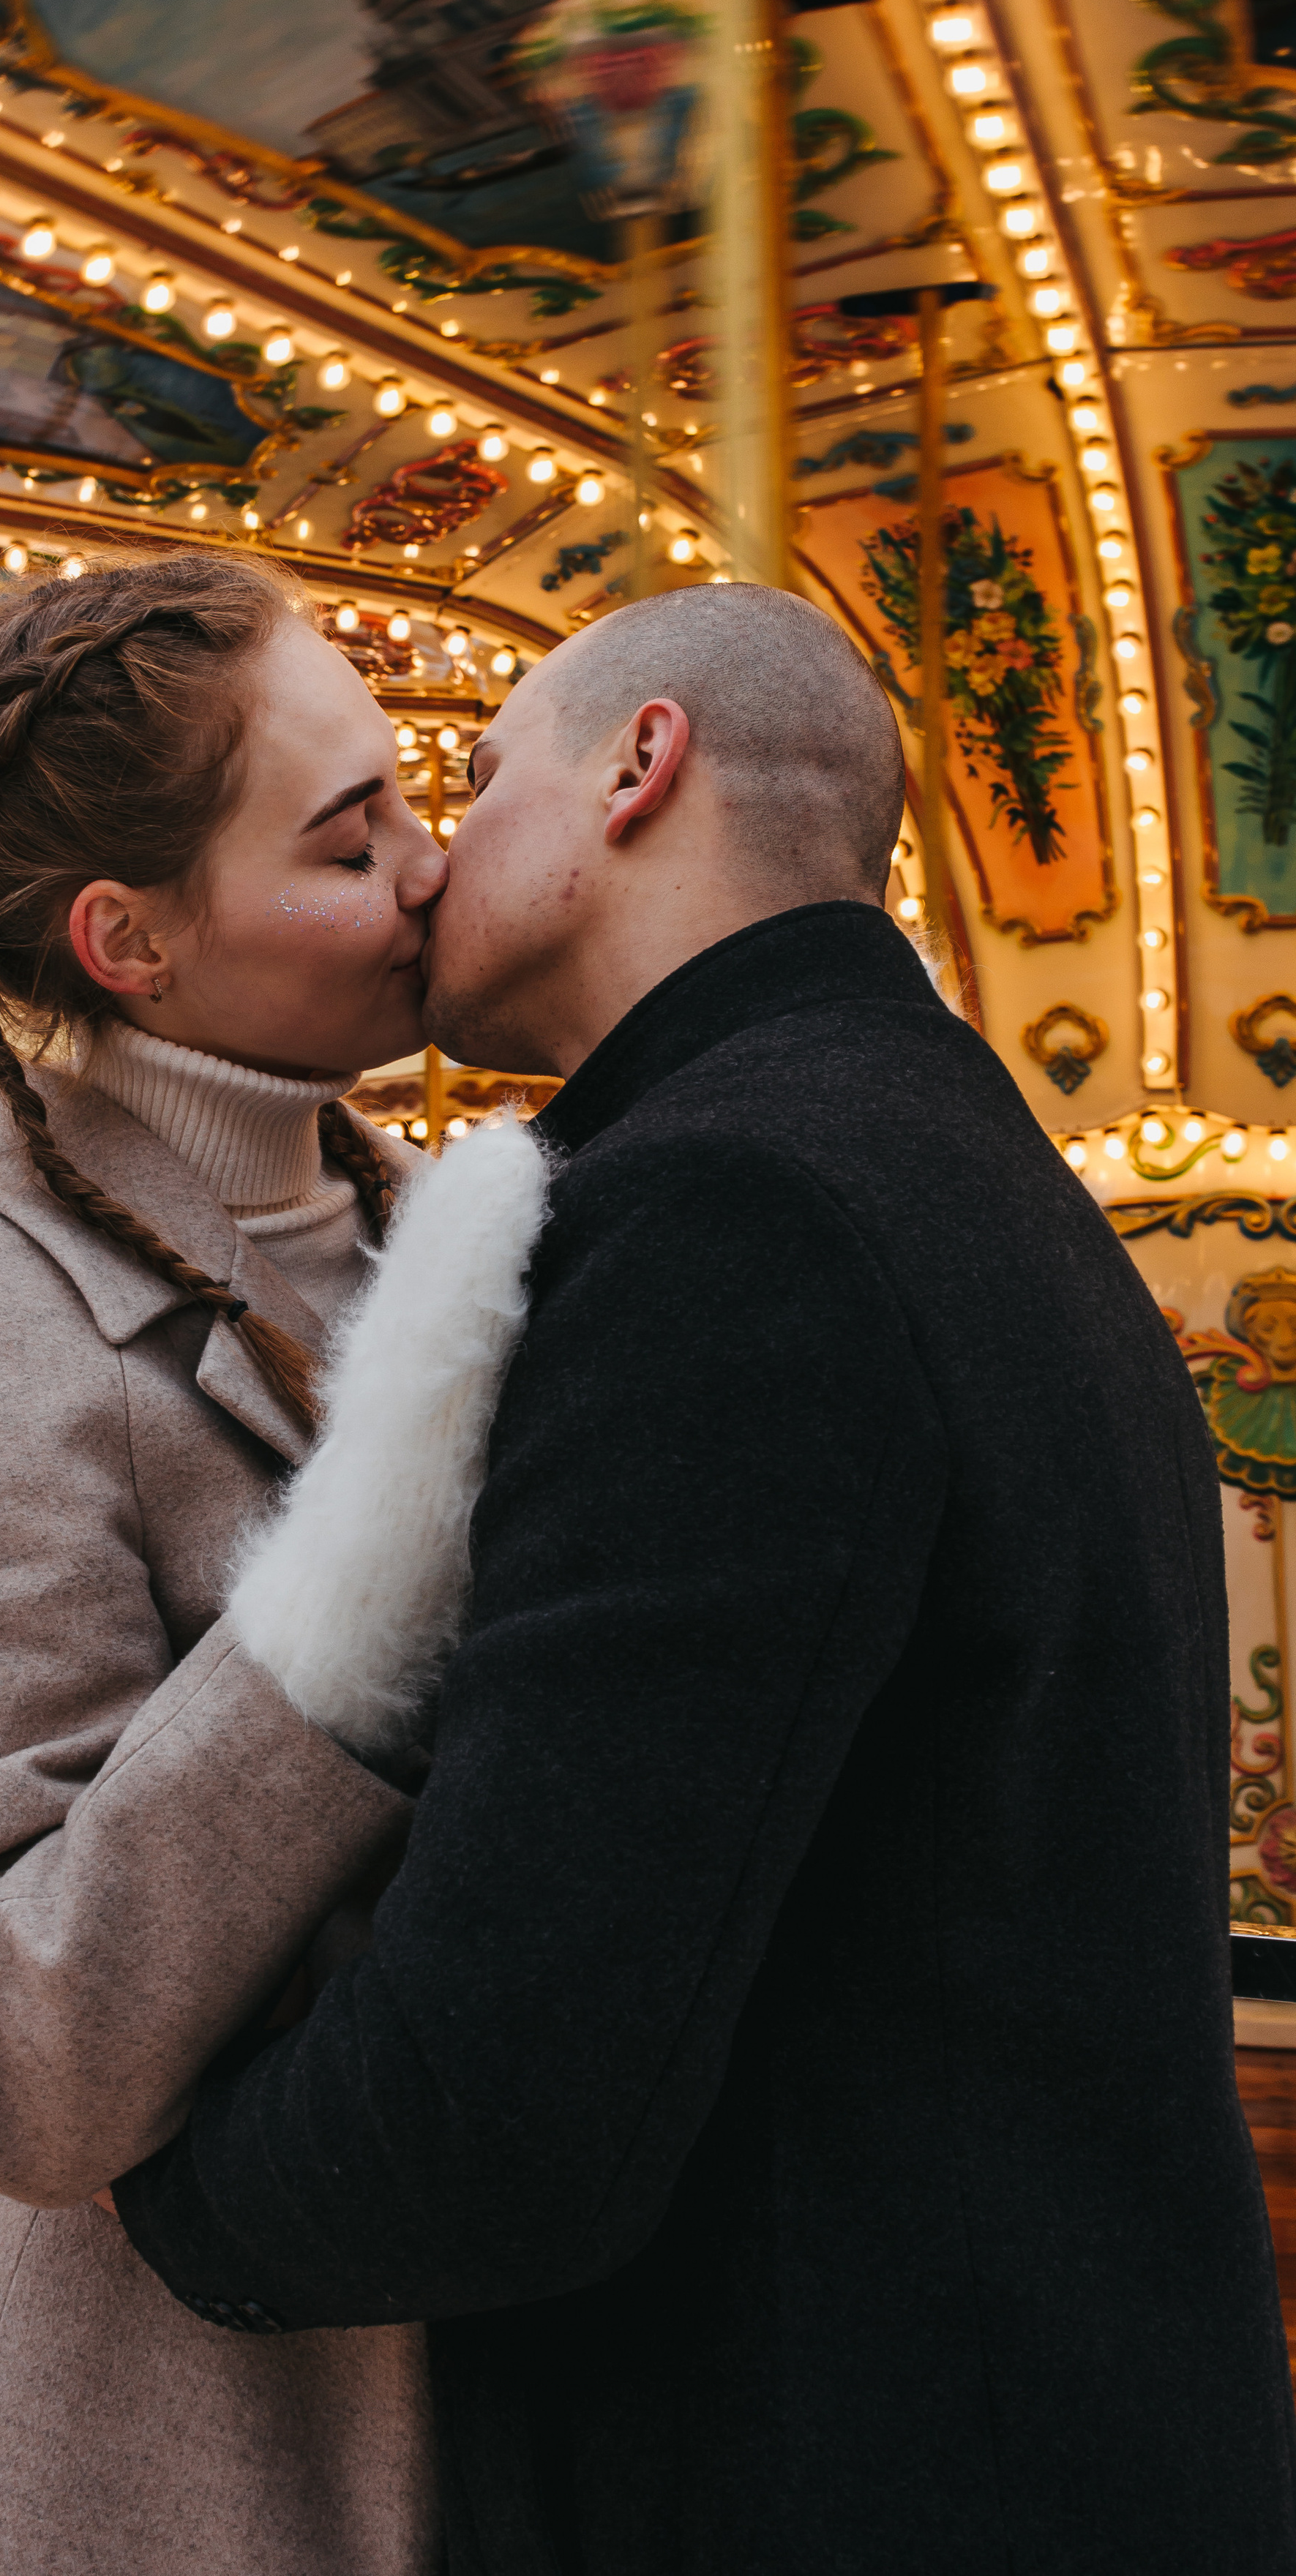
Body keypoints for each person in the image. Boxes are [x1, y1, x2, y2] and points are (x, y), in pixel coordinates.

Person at [111, 583, 1296, 2575]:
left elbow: (510, 2084)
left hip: (830, 2466)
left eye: (476, 776)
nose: (431, 859)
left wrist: (144, 2178)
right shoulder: (969, 1174)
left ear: (640, 766)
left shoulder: (727, 1208)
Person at [0, 551, 452, 2576]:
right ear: (133, 941)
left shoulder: (454, 1238)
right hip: (161, 2464)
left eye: (415, 798)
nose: (434, 873)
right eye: (354, 845)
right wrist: (345, 1611)